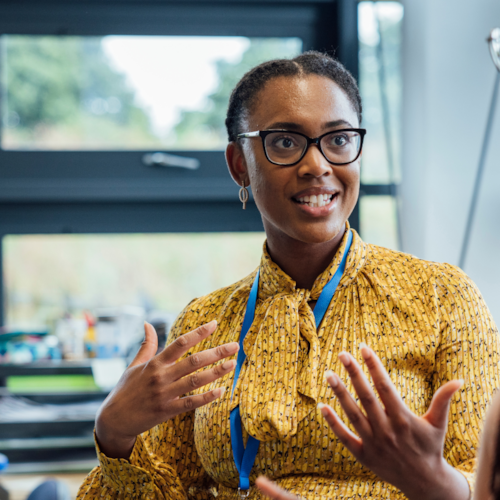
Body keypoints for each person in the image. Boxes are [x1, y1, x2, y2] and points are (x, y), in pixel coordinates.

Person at [77, 51, 500, 500]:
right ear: (239, 163)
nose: (317, 164)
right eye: (285, 142)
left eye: (338, 139)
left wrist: (437, 483)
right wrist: (114, 435)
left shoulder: (440, 296)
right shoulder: (204, 324)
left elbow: (488, 483)